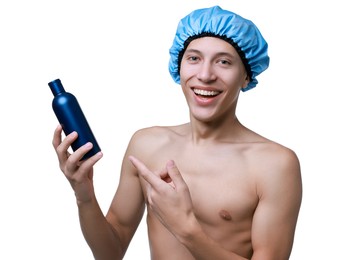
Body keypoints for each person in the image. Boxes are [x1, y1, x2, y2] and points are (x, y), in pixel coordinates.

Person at [52, 5, 302, 260]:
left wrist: (186, 229)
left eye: (224, 62)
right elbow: (110, 253)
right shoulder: (146, 145)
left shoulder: (274, 164)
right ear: (178, 66)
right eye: (194, 58)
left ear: (246, 76)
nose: (205, 75)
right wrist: (84, 195)